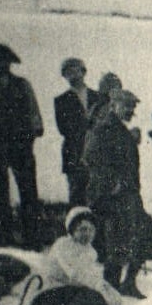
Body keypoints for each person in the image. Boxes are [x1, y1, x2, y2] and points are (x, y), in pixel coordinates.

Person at [13, 206, 125, 305]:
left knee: (99, 302)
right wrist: (101, 289)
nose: (87, 234)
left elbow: (95, 278)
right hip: (48, 298)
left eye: (90, 229)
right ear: (72, 230)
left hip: (69, 297)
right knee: (92, 298)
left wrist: (112, 295)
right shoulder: (63, 245)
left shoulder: (90, 252)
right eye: (82, 229)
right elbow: (76, 274)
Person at [84, 86, 152, 297]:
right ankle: (109, 296)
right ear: (113, 105)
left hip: (130, 193)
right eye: (127, 106)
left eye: (133, 107)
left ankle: (129, 283)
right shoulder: (103, 128)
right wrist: (112, 183)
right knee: (116, 246)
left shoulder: (121, 130)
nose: (131, 110)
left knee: (145, 233)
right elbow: (90, 158)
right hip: (112, 197)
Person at [0, 43, 44, 247]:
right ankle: (1, 237)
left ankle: (32, 237)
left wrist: (33, 133)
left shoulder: (22, 84)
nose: (0, 62)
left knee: (28, 191)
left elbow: (34, 112)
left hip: (21, 146)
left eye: (4, 59)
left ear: (10, 62)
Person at [54, 57, 95, 206]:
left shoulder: (98, 97)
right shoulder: (60, 101)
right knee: (76, 197)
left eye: (73, 69)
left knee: (97, 196)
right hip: (73, 153)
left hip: (96, 153)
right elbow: (64, 128)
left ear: (83, 71)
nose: (70, 73)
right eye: (66, 71)